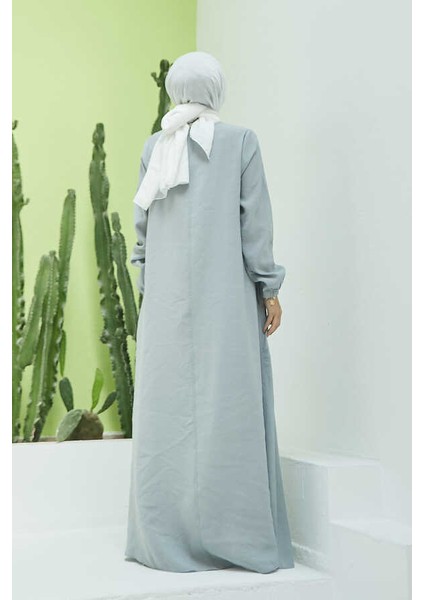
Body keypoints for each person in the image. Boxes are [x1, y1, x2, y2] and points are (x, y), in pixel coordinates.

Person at [124, 50, 295, 574]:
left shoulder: (156, 145)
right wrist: (269, 287)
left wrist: (150, 290)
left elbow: (143, 231)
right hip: (226, 299)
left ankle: (165, 539)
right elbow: (255, 223)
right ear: (216, 89)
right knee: (231, 405)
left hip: (167, 303)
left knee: (168, 411)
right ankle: (237, 535)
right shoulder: (241, 141)